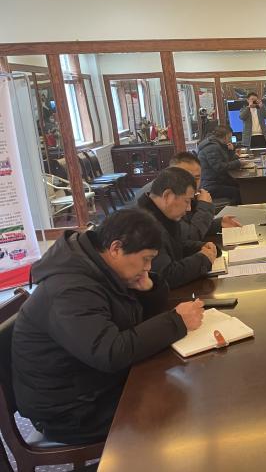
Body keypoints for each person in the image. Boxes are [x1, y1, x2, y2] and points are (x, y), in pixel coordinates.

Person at [12, 209, 205, 444]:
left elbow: (134, 322)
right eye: (146, 259)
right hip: (70, 410)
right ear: (115, 248)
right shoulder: (69, 289)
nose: (148, 267)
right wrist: (176, 321)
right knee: (182, 413)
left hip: (95, 384)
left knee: (184, 389)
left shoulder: (102, 268)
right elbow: (110, 352)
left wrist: (148, 289)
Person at [137, 167, 218, 288]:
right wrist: (203, 259)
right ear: (168, 196)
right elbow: (165, 276)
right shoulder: (144, 226)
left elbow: (175, 247)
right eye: (187, 201)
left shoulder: (162, 215)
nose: (189, 208)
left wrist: (200, 247)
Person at [138, 152, 242, 240]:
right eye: (185, 176)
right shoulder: (161, 198)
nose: (192, 183)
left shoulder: (186, 192)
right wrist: (204, 206)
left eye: (197, 178)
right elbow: (189, 237)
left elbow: (190, 226)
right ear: (172, 173)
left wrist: (218, 224)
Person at [197, 125, 243, 205]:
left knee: (240, 185)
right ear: (226, 136)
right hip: (210, 185)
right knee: (237, 191)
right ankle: (231, 211)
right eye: (230, 137)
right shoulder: (212, 147)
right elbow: (219, 167)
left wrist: (231, 151)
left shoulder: (218, 145)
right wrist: (238, 163)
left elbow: (226, 160)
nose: (230, 139)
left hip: (217, 180)